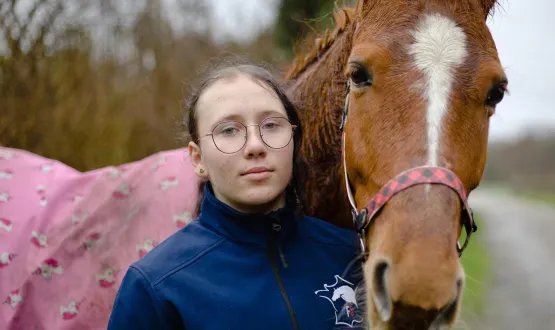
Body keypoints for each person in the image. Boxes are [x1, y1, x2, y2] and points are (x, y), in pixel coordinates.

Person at [107, 61, 365, 330]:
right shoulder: (156, 287)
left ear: (293, 139)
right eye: (229, 130)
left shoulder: (353, 255)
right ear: (198, 159)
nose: (256, 145)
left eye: (271, 125)